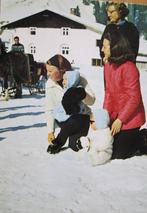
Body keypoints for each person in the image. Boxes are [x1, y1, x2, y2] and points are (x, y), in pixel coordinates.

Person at [101, 26, 146, 159]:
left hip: (130, 119)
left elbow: (134, 99)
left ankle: (142, 138)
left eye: (105, 46)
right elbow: (108, 93)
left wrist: (121, 120)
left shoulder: (129, 68)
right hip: (116, 118)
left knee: (118, 154)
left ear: (115, 47)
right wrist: (105, 118)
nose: (102, 49)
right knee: (107, 147)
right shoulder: (108, 65)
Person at [45, 54, 95, 154]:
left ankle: (61, 141)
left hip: (81, 118)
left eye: (50, 71)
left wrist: (82, 94)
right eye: (47, 71)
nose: (48, 74)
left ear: (61, 70)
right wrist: (50, 131)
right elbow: (50, 109)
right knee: (72, 142)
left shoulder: (78, 78)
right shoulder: (50, 84)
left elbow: (92, 100)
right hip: (63, 120)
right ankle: (73, 142)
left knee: (73, 141)